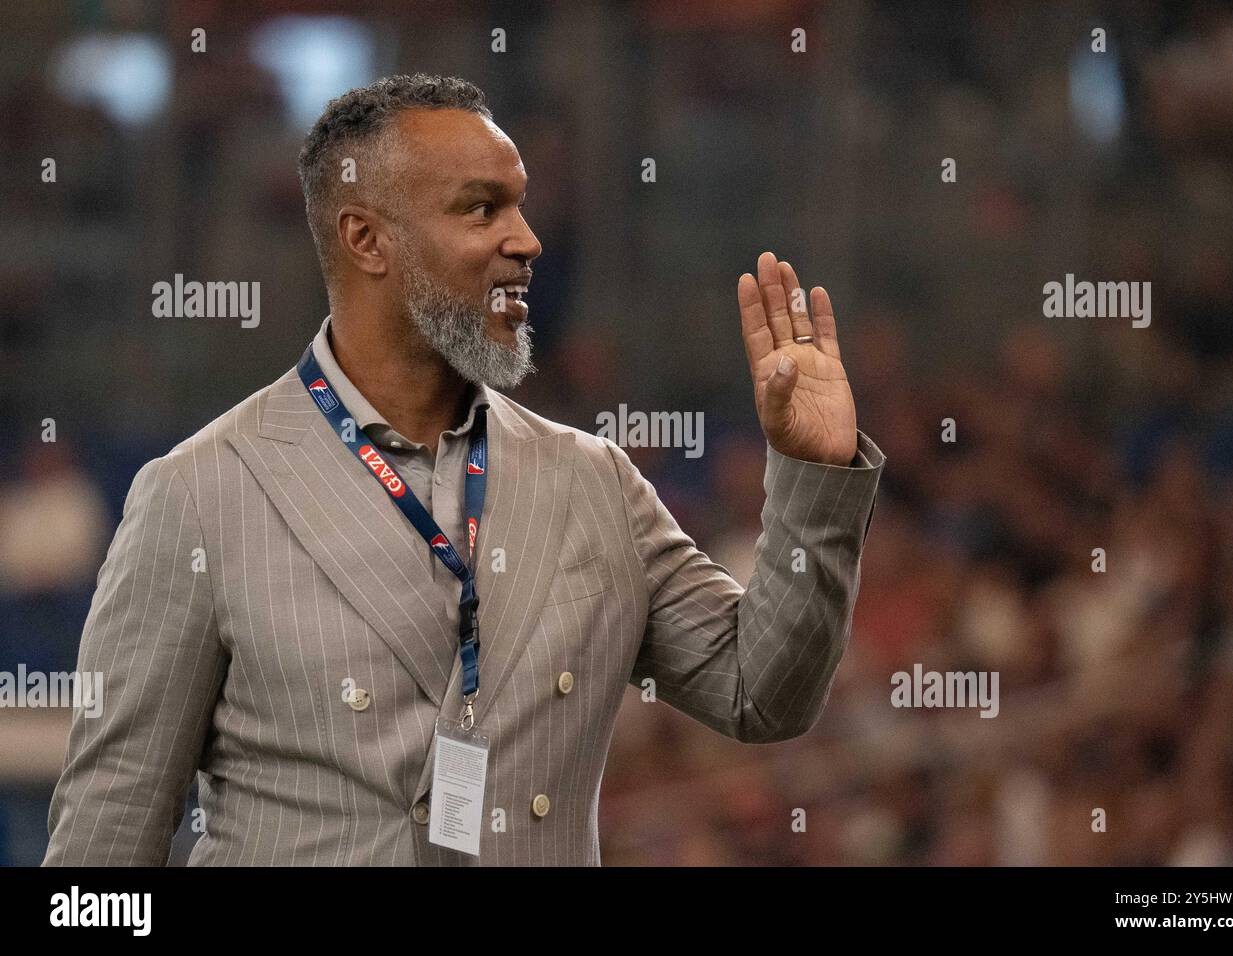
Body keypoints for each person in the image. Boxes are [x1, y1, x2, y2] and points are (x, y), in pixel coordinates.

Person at [44, 73, 885, 866]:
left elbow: (763, 693)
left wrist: (814, 474)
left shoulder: (595, 481)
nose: (527, 240)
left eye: (520, 205)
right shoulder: (199, 494)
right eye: (483, 210)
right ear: (367, 239)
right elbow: (98, 862)